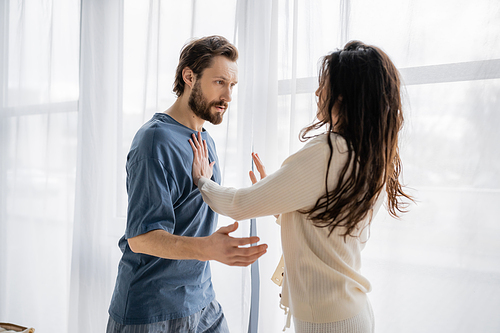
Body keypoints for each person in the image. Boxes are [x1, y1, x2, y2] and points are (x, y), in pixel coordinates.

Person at [190, 41, 412, 333]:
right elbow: (328, 229)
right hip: (350, 315)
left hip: (328, 322)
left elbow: (238, 206)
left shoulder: (328, 151)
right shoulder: (372, 155)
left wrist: (202, 180)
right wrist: (282, 196)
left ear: (344, 97)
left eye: (324, 85)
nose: (318, 93)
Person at [107, 35, 268, 333]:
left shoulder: (204, 140)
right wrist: (208, 248)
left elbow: (197, 208)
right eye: (220, 82)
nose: (228, 96)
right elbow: (141, 238)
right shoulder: (154, 140)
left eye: (232, 86)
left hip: (202, 302)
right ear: (189, 76)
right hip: (153, 311)